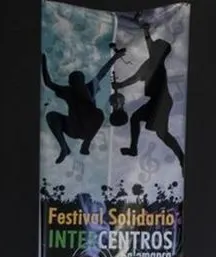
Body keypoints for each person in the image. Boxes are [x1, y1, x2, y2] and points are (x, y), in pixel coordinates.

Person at [113, 22, 184, 166]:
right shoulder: (150, 63)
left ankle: (182, 158)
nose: (153, 46)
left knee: (161, 133)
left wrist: (146, 31)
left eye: (156, 45)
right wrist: (120, 85)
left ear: (159, 51)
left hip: (162, 101)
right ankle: (133, 149)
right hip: (158, 101)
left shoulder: (156, 62)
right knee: (138, 120)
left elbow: (149, 47)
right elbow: (136, 77)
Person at [42, 47, 126, 164]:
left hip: (87, 129)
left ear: (82, 81)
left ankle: (86, 143)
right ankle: (64, 148)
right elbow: (48, 83)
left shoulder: (89, 87)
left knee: (98, 114)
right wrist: (43, 62)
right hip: (73, 128)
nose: (77, 83)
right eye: (74, 81)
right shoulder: (68, 91)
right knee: (51, 116)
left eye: (78, 80)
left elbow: (103, 71)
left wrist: (115, 57)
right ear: (71, 84)